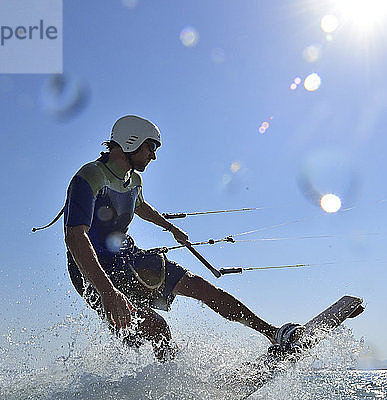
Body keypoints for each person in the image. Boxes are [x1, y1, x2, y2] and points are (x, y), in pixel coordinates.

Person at [63, 115, 303, 361]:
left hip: (126, 256)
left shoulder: (133, 179)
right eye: (151, 147)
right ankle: (168, 380)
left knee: (204, 288)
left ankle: (274, 334)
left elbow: (140, 205)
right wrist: (108, 292)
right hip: (90, 269)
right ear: (130, 141)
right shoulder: (90, 177)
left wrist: (170, 227)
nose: (153, 155)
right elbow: (74, 237)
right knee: (158, 328)